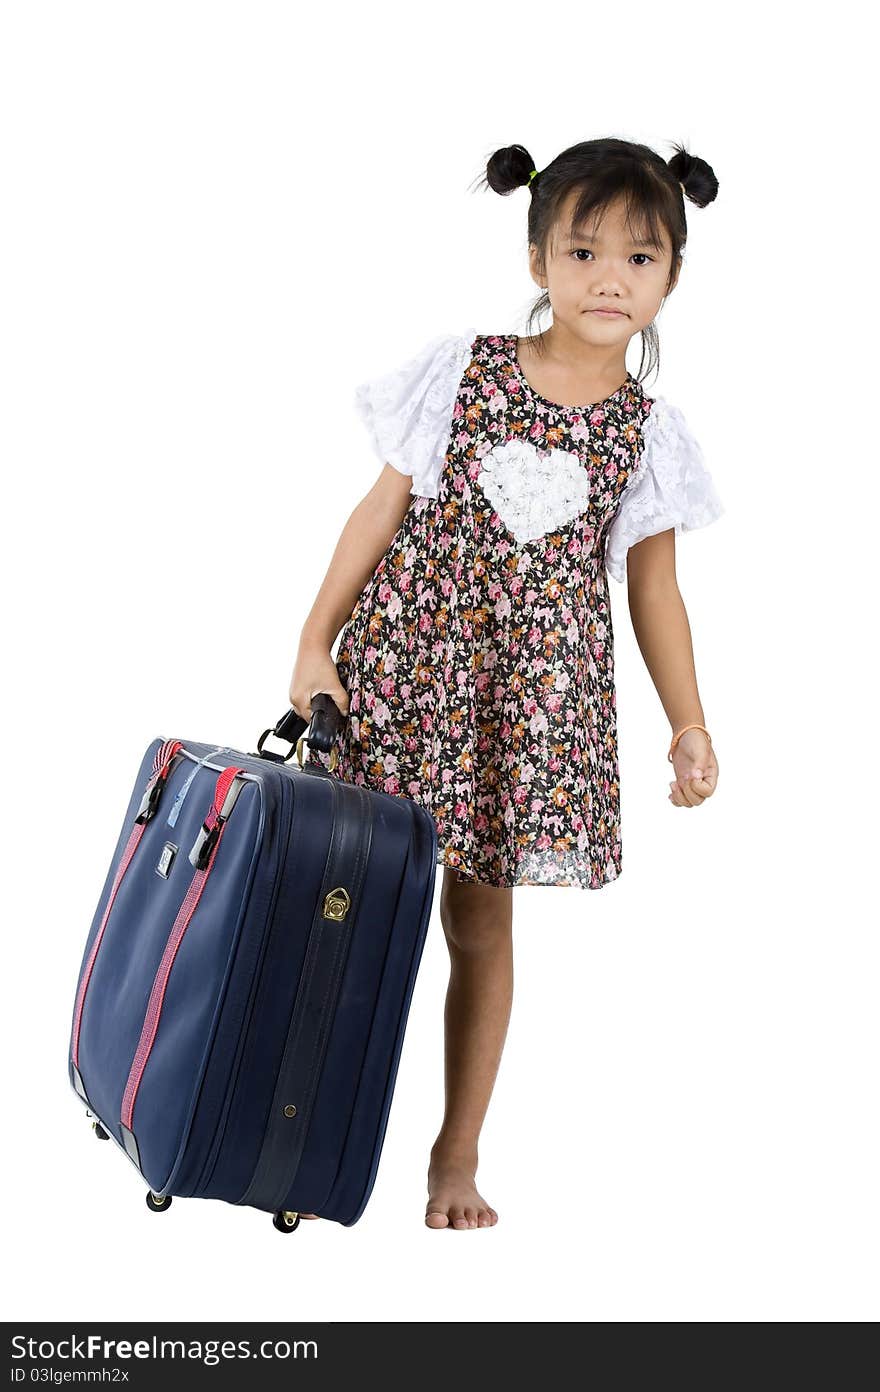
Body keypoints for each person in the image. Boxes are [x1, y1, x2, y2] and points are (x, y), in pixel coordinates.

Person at [288, 136, 725, 1231]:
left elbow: (654, 594)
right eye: (581, 251)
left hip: (523, 718)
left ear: (670, 276)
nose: (608, 277)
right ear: (537, 261)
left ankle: (455, 1152)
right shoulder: (465, 369)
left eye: (638, 255)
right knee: (339, 891)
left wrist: (688, 721)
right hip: (406, 680)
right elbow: (378, 512)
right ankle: (291, 1110)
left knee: (478, 926)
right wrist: (313, 639)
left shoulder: (646, 435)